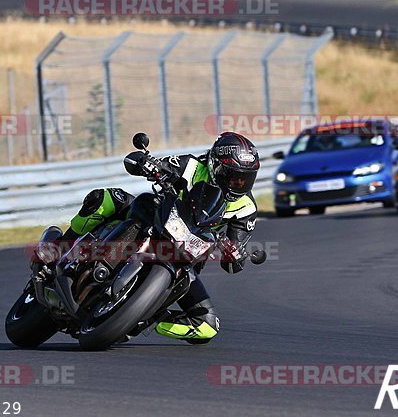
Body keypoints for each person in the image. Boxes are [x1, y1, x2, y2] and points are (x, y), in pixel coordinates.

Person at [53, 132, 260, 344]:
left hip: (186, 255)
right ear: (216, 166)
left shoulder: (246, 208)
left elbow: (234, 260)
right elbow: (151, 164)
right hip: (159, 220)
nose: (238, 184)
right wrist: (147, 164)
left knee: (207, 326)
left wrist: (235, 254)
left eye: (245, 179)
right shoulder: (191, 166)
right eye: (233, 177)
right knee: (107, 199)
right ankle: (58, 250)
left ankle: (143, 316)